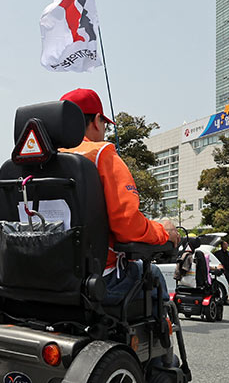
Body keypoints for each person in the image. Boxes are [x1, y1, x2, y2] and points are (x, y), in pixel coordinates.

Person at [59, 89, 179, 310]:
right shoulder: (100, 154)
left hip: (38, 277)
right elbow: (127, 225)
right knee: (152, 275)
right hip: (96, 281)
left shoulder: (32, 159)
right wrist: (164, 232)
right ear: (96, 121)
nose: (104, 129)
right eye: (104, 123)